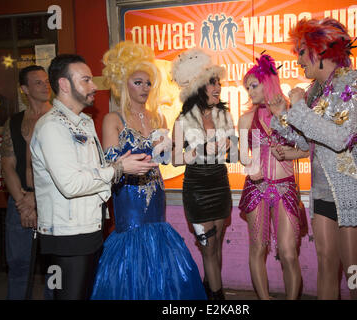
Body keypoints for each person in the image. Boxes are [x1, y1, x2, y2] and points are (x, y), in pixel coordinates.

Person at [30, 54, 158, 300]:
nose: (94, 86)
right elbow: (70, 184)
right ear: (64, 85)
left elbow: (94, 170)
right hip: (66, 234)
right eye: (86, 80)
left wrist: (122, 163)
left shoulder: (83, 123)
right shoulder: (52, 127)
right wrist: (119, 169)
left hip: (89, 227)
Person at [269, 18, 357, 300]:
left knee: (354, 273)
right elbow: (308, 141)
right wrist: (283, 114)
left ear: (321, 50)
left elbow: (341, 138)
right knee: (326, 266)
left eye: (302, 51)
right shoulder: (313, 93)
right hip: (322, 194)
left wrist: (299, 111)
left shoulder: (355, 82)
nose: (298, 60)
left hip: (350, 191)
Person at [90, 41, 206, 300]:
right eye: (137, 82)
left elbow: (167, 159)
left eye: (148, 83)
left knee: (162, 259)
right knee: (132, 261)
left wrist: (190, 154)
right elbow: (110, 166)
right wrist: (145, 151)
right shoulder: (113, 119)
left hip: (156, 194)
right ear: (124, 83)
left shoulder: (158, 118)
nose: (144, 88)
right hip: (128, 198)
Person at [238, 53, 309, 300]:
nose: (249, 91)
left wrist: (288, 151)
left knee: (289, 252)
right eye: (247, 87)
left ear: (268, 82)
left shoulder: (289, 111)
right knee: (258, 247)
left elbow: (305, 148)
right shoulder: (246, 119)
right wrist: (251, 167)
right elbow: (242, 156)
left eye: (253, 85)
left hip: (286, 189)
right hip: (256, 189)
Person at [171, 48, 235, 300]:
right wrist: (199, 149)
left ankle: (208, 291)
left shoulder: (224, 114)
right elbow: (174, 159)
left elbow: (231, 153)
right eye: (211, 82)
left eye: (218, 81)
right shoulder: (183, 120)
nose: (217, 87)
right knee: (208, 250)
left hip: (220, 184)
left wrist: (230, 146)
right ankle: (218, 301)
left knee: (215, 247)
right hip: (197, 190)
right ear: (198, 87)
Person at [0, 65, 52, 299]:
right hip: (19, 202)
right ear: (25, 89)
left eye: (47, 81)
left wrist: (36, 198)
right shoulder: (14, 122)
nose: (45, 85)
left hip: (53, 202)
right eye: (38, 82)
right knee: (19, 267)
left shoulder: (60, 118)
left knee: (55, 270)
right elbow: (7, 166)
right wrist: (23, 202)